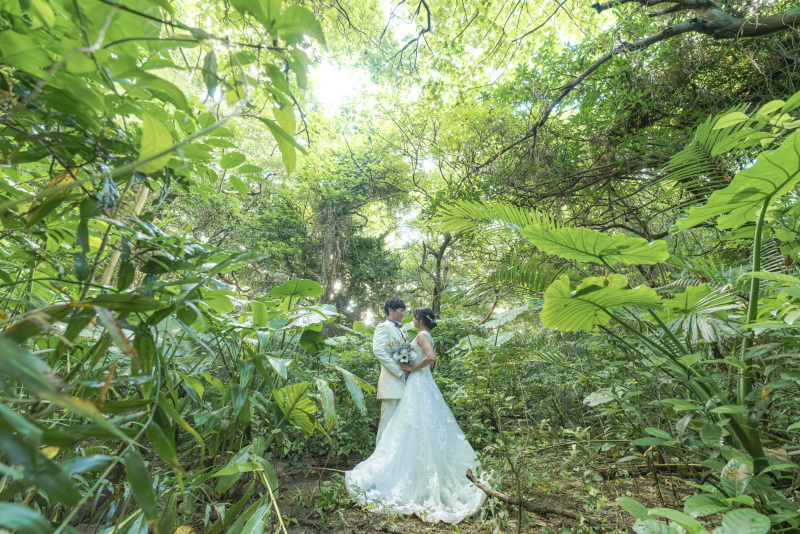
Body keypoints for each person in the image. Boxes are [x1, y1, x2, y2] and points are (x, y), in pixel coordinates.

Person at [345, 307, 487, 524]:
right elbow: (430, 359)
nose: (409, 318)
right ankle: (418, 474)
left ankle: (415, 476)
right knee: (419, 427)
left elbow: (430, 358)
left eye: (412, 316)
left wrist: (411, 368)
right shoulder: (422, 334)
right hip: (419, 385)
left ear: (420, 319)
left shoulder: (421, 335)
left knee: (415, 426)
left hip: (418, 384)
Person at [370, 297, 408, 444]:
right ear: (390, 310)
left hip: (404, 385)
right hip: (392, 384)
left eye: (404, 310)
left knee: (399, 430)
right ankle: (378, 463)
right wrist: (399, 371)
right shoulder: (383, 327)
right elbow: (378, 351)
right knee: (386, 428)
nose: (403, 313)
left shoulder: (402, 331)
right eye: (401, 310)